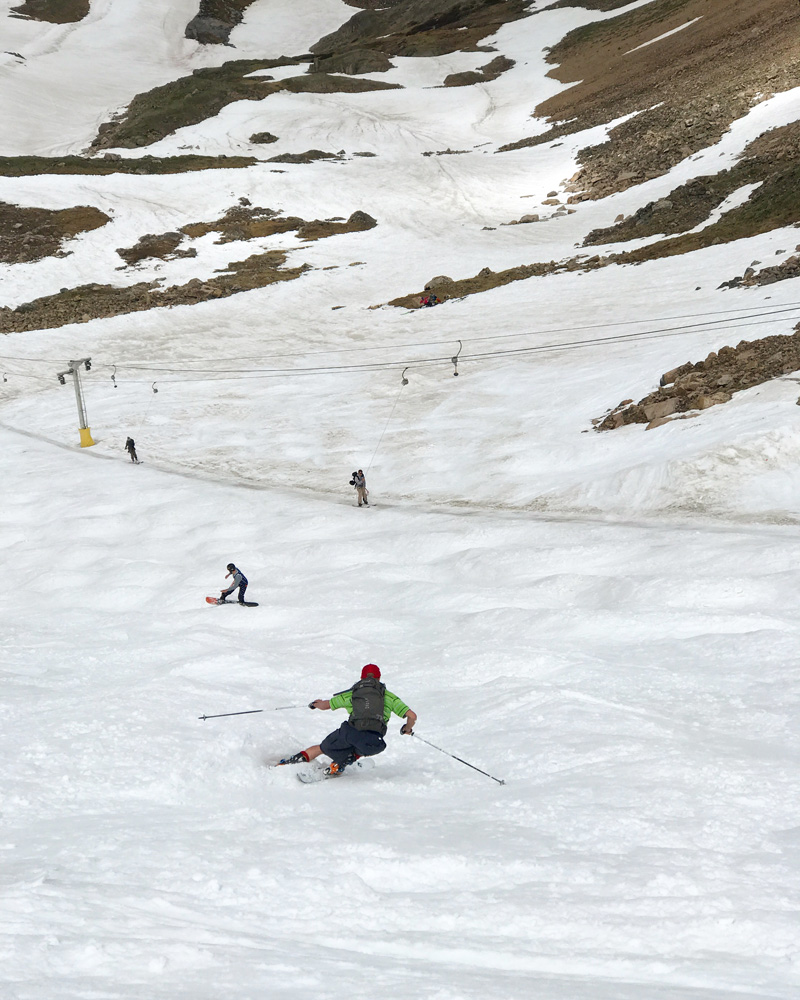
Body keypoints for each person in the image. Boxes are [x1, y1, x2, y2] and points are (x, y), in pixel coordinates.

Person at [279, 664, 417, 775]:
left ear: (362, 678)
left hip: (349, 732)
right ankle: (340, 764)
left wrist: (315, 704)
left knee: (322, 748)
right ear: (379, 678)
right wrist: (407, 728)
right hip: (374, 741)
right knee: (359, 749)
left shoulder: (353, 694)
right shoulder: (388, 697)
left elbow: (326, 705)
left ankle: (292, 762)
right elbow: (412, 716)